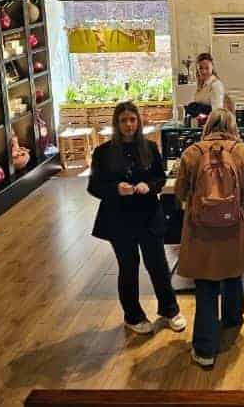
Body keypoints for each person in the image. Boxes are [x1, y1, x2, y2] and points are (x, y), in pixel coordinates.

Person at [87, 101, 186, 335]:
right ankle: (133, 315)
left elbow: (160, 179)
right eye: (124, 120)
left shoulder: (150, 148)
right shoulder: (103, 153)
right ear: (117, 123)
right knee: (128, 267)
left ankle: (170, 310)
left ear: (138, 122)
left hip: (148, 214)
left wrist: (148, 186)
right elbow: (94, 186)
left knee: (158, 264)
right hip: (119, 218)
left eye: (132, 120)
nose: (129, 125)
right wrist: (116, 188)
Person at [174, 108, 244, 366]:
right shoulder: (241, 151)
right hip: (233, 226)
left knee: (207, 286)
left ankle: (205, 350)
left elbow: (180, 190)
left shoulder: (192, 152)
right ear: (233, 125)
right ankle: (233, 322)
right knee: (233, 271)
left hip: (201, 231)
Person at [185, 52, 232, 119]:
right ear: (197, 69)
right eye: (200, 68)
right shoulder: (202, 84)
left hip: (212, 126)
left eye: (207, 68)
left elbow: (217, 113)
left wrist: (201, 116)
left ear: (212, 67)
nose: (204, 71)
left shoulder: (216, 85)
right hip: (202, 124)